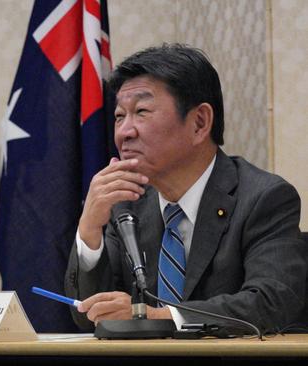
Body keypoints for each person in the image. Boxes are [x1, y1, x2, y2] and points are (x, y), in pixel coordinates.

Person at [64, 44, 307, 333]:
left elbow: (270, 303)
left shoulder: (263, 198)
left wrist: (161, 316)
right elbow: (87, 314)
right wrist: (89, 228)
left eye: (141, 111)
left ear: (199, 123)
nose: (124, 132)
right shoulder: (127, 204)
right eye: (119, 116)